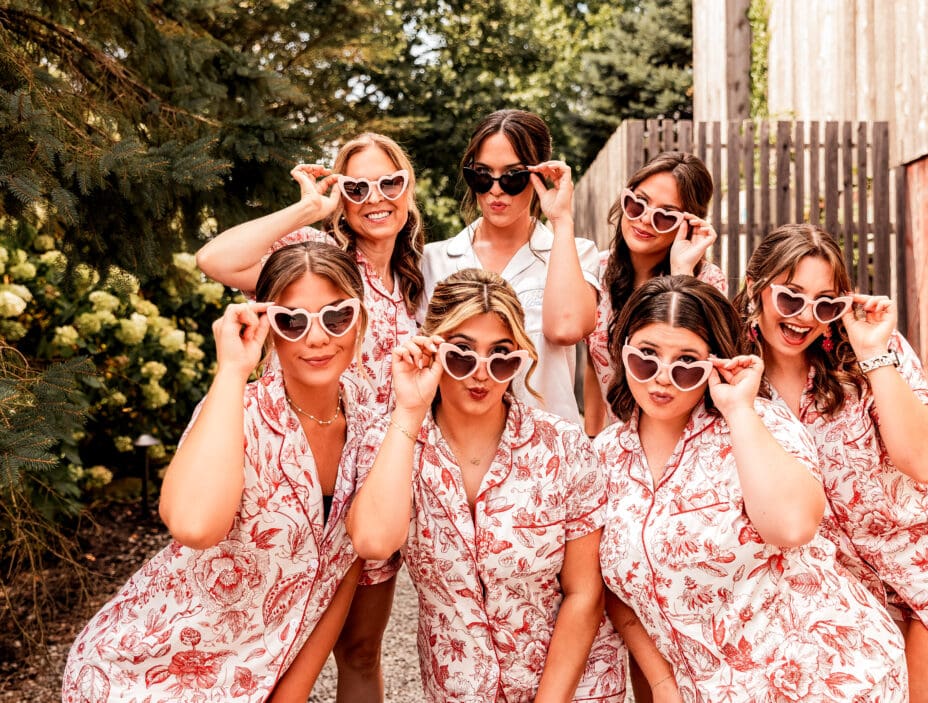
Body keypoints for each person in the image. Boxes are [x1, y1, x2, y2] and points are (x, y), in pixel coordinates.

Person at [63, 242, 368, 702]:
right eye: (292, 320)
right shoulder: (233, 409)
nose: (318, 337)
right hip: (139, 674)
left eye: (336, 316)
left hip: (252, 682)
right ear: (267, 326)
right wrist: (231, 369)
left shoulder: (372, 424)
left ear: (359, 317)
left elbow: (345, 569)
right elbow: (194, 526)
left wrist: (294, 692)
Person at [736, 223, 928, 702]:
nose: (806, 316)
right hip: (857, 590)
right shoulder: (734, 375)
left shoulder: (870, 353)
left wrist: (873, 353)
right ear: (756, 286)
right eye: (791, 297)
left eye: (825, 303)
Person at [596, 275, 907, 702]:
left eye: (687, 362)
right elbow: (613, 588)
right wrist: (664, 684)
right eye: (646, 357)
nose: (662, 378)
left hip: (826, 677)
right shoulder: (604, 456)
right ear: (623, 352)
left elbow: (792, 527)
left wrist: (738, 410)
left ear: (717, 363)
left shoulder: (765, 423)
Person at [196, 133, 423, 702]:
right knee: (257, 645)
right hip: (288, 482)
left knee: (360, 651)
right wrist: (306, 208)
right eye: (357, 186)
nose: (376, 197)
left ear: (408, 188)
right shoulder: (313, 261)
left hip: (371, 486)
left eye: (389, 182)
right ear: (341, 197)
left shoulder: (418, 283)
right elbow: (215, 260)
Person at [347, 268, 627, 702]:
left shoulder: (564, 447)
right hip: (459, 691)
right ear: (432, 348)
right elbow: (372, 542)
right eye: (461, 354)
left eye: (501, 357)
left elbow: (584, 593)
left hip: (575, 689)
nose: (481, 373)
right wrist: (408, 410)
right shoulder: (392, 446)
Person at [420, 109, 599, 424]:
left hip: (546, 454)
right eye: (482, 174)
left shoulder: (574, 253)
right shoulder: (433, 260)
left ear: (538, 175)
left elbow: (566, 328)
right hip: (455, 447)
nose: (496, 189)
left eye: (513, 176)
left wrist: (561, 220)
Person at [583, 151, 726, 439]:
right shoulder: (595, 270)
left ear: (688, 222)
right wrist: (591, 437)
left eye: (665, 216)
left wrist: (681, 271)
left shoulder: (708, 281)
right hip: (619, 446)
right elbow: (593, 362)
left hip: (684, 441)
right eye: (637, 203)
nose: (645, 220)